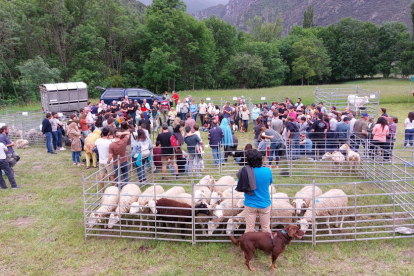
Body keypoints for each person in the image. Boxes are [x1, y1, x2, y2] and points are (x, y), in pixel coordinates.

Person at [235, 149, 272, 233]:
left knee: (249, 229)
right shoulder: (267, 171)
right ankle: (267, 245)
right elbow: (270, 183)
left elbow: (240, 184)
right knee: (266, 228)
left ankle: (248, 246)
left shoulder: (244, 172)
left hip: (250, 204)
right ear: (261, 159)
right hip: (264, 204)